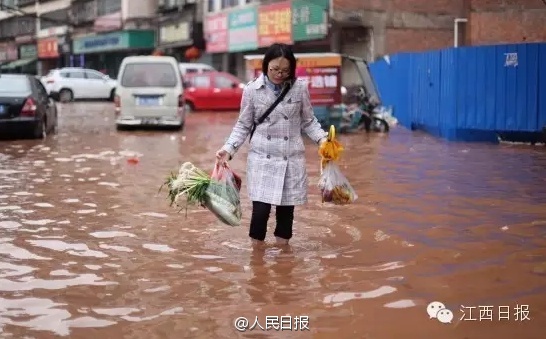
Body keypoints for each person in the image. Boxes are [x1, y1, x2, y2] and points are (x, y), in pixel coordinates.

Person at [215, 43, 327, 247]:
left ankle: (283, 259)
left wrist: (323, 139)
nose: (279, 74)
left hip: (290, 158)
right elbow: (243, 125)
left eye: (284, 71)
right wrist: (228, 149)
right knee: (260, 212)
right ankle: (257, 259)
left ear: (291, 69)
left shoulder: (299, 88)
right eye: (274, 69)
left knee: (286, 214)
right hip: (262, 159)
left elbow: (309, 121)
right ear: (266, 66)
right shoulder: (252, 90)